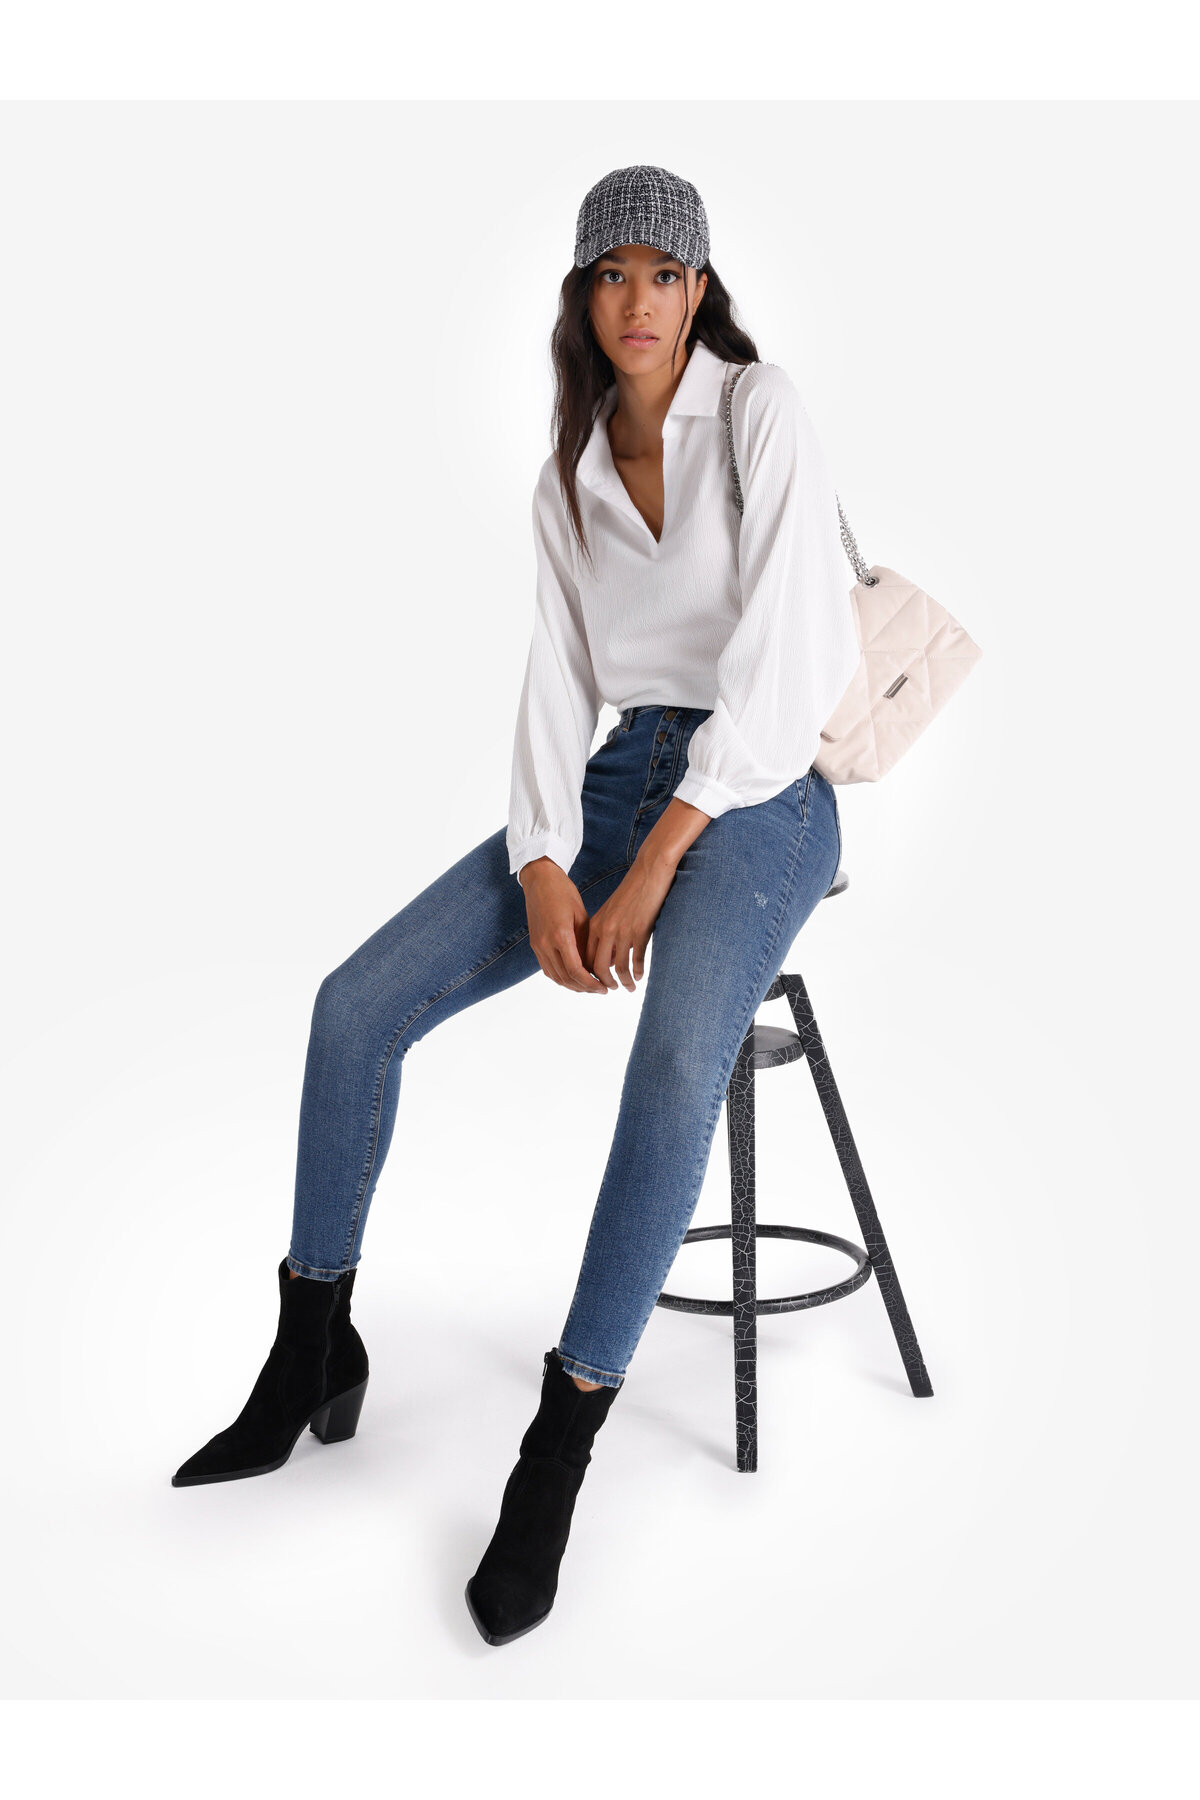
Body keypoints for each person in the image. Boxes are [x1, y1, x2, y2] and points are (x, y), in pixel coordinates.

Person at [171, 164, 861, 1647]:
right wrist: (547, 855)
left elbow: (796, 659)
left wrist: (658, 856)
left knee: (672, 1067)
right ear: (582, 295)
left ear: (700, 289)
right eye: (612, 275)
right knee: (353, 1007)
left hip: (765, 794)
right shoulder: (571, 470)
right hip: (618, 782)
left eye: (663, 274)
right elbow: (560, 676)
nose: (638, 302)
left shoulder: (760, 410)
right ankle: (311, 1347)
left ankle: (559, 1445)